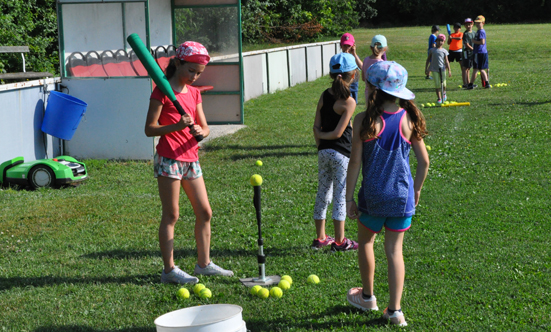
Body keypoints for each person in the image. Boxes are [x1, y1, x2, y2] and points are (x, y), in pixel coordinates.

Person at [345, 61, 429, 327]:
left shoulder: (363, 120)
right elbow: (424, 161)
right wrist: (416, 189)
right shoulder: (409, 118)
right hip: (401, 199)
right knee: (394, 252)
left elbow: (355, 163)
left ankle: (368, 297)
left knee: (366, 243)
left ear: (371, 87)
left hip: (372, 198)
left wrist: (348, 198)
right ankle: (395, 311)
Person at [145, 41, 233, 284]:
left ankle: (204, 264)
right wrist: (177, 126)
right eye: (191, 70)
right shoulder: (161, 91)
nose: (194, 76)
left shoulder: (193, 93)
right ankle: (169, 270)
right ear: (177, 63)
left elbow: (205, 128)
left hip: (191, 158)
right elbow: (149, 129)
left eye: (199, 73)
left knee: (205, 212)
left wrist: (199, 132)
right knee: (171, 214)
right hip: (169, 158)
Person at [311, 52, 359, 252]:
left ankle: (320, 238)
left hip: (323, 153)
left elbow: (316, 127)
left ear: (331, 74)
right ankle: (340, 241)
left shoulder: (324, 95)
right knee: (340, 195)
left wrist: (320, 141)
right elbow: (340, 132)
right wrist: (327, 137)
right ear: (353, 75)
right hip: (341, 154)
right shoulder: (349, 101)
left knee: (323, 192)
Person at [361, 35, 388, 105]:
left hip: (368, 93)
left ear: (371, 48)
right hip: (380, 95)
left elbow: (363, 78)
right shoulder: (383, 64)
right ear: (385, 49)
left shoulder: (366, 60)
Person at [425, 34, 451, 104]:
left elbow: (447, 61)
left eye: (442, 41)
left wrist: (449, 70)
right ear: (436, 41)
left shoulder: (444, 51)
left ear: (444, 42)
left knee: (444, 84)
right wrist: (426, 69)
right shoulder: (432, 50)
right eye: (439, 40)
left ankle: (444, 93)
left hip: (442, 69)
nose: (440, 42)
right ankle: (439, 98)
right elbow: (428, 60)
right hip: (434, 69)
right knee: (437, 84)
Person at [339, 33, 363, 104]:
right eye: (344, 46)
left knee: (353, 104)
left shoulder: (354, 57)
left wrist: (354, 53)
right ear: (341, 46)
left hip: (354, 86)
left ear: (353, 46)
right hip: (344, 85)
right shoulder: (339, 58)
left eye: (349, 46)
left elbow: (361, 67)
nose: (347, 48)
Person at [468, 15, 490, 89]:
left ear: (483, 23)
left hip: (479, 52)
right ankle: (486, 83)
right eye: (476, 23)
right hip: (480, 52)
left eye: (479, 23)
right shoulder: (479, 31)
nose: (477, 24)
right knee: (480, 69)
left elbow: (482, 42)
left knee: (477, 69)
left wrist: (474, 41)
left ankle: (471, 84)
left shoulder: (481, 31)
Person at [461, 18, 476, 88]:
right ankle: (465, 83)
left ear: (472, 24)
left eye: (470, 24)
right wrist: (473, 49)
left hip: (472, 52)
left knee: (469, 68)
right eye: (467, 25)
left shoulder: (474, 33)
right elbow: (466, 44)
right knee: (465, 68)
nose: (468, 26)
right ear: (465, 26)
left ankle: (469, 83)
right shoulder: (466, 34)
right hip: (466, 53)